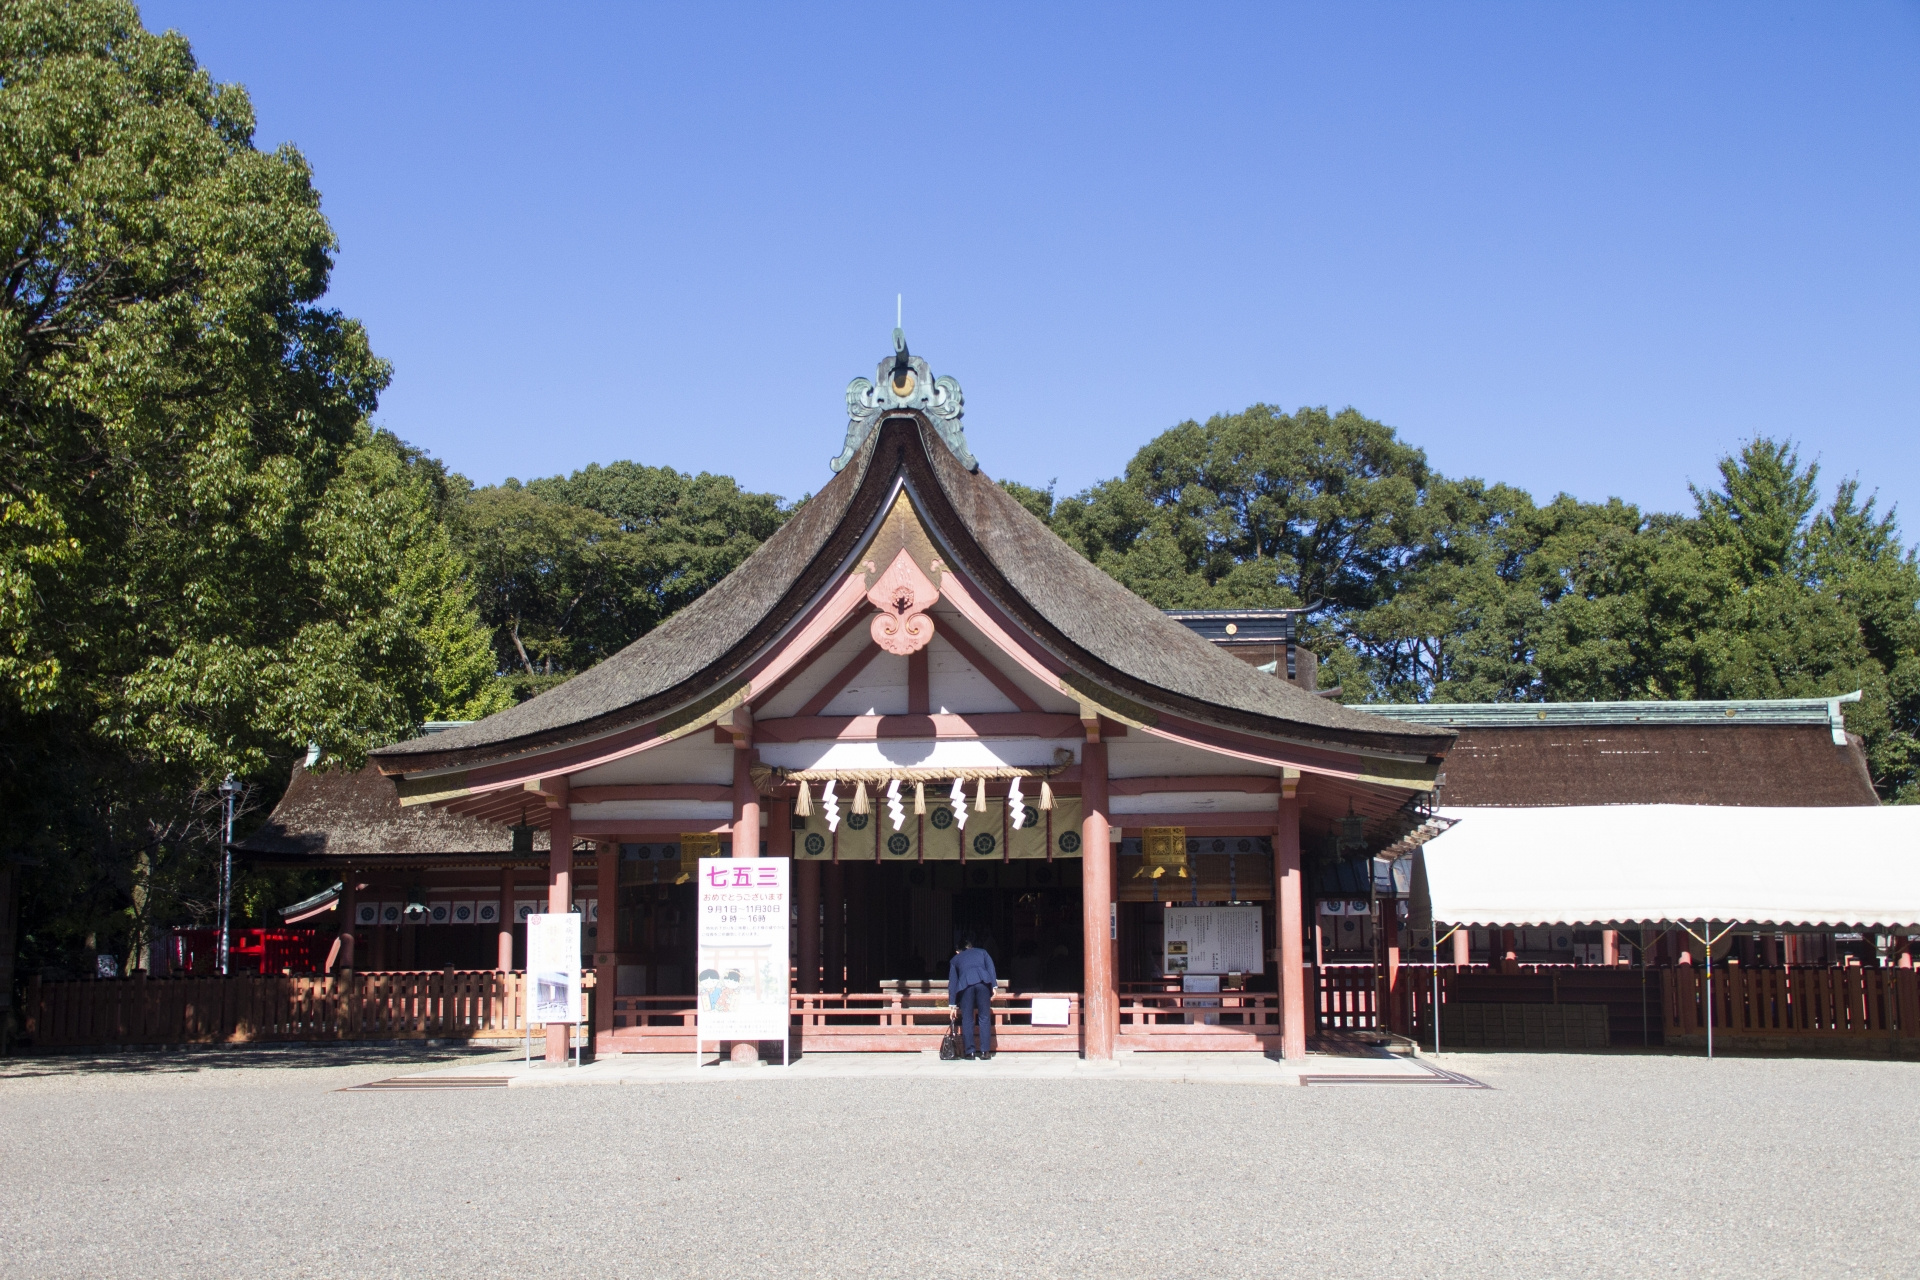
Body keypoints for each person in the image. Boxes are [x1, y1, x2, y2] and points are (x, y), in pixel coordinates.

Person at [948, 935, 998, 1060]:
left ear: (958, 951)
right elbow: (991, 968)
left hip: (965, 986)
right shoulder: (983, 952)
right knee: (984, 1017)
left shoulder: (955, 959)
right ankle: (985, 1052)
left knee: (967, 1019)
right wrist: (994, 986)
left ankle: (970, 1052)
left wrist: (952, 1004)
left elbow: (953, 983)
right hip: (983, 983)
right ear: (971, 947)